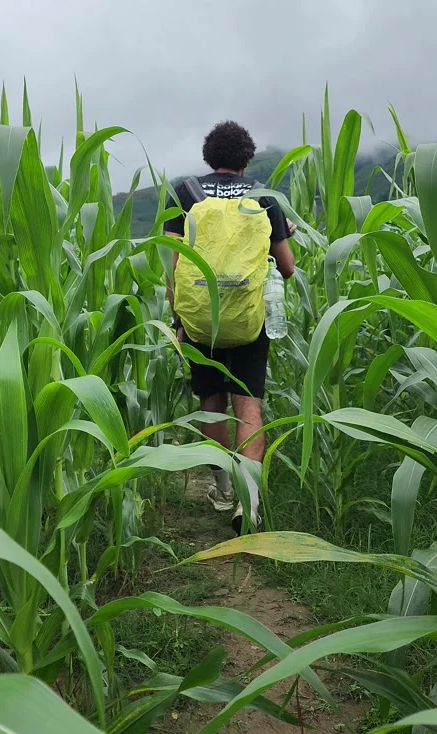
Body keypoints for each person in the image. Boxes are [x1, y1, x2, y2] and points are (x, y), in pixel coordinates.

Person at [165, 120, 295, 533]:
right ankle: (249, 502)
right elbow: (287, 269)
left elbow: (174, 269)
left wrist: (180, 320)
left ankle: (222, 489)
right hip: (249, 319)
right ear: (246, 159)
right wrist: (283, 233)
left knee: (211, 401)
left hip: (202, 320)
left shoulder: (185, 193)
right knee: (248, 404)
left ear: (209, 157)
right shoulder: (264, 195)